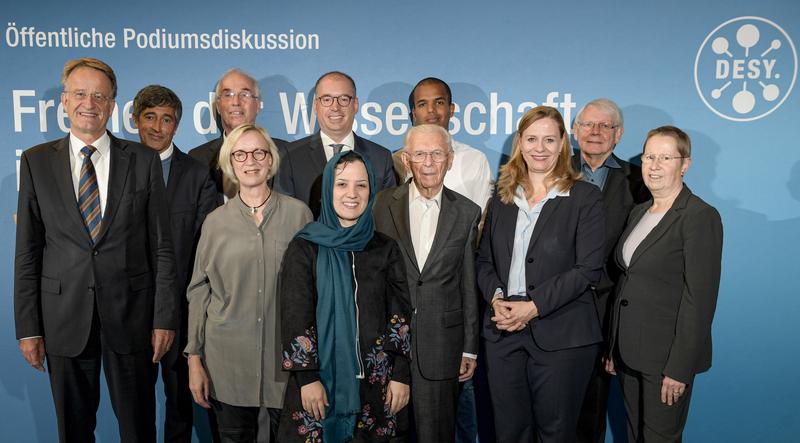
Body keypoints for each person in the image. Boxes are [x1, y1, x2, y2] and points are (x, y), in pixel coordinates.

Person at [14, 57, 177, 442]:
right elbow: (28, 251)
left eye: (100, 96)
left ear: (112, 105)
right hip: (63, 319)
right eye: (80, 94)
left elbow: (162, 248)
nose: (90, 103)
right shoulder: (35, 162)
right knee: (73, 430)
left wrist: (164, 318)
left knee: (138, 429)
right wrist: (28, 329)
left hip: (132, 319)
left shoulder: (143, 160)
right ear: (65, 103)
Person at [476, 106, 605, 443]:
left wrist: (533, 306)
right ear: (520, 142)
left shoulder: (585, 198)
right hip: (503, 331)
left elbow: (588, 269)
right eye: (532, 139)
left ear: (563, 143)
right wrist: (498, 298)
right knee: (509, 432)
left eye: (549, 139)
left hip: (562, 334)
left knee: (556, 434)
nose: (540, 148)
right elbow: (483, 261)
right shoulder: (502, 197)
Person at [184, 124, 312, 442]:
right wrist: (195, 360)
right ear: (230, 163)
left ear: (271, 160)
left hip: (286, 369)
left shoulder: (299, 216)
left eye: (258, 152)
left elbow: (314, 291)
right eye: (240, 153)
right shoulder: (215, 223)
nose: (250, 160)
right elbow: (200, 292)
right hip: (227, 367)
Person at [278, 151, 412, 442]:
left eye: (361, 185)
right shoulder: (304, 249)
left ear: (371, 191)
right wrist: (308, 378)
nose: (352, 194)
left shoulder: (385, 249)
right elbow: (294, 316)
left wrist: (401, 374)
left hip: (378, 389)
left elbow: (400, 316)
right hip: (318, 389)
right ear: (328, 189)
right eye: (341, 184)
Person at [605, 126, 722, 443]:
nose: (654, 166)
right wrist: (615, 345)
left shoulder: (699, 216)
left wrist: (679, 368)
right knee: (633, 435)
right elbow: (627, 284)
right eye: (649, 157)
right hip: (628, 353)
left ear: (685, 164)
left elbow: (699, 300)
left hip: (667, 360)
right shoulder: (640, 212)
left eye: (665, 157)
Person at [374, 124, 481, 442]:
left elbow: (468, 283)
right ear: (406, 160)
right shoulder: (380, 205)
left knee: (437, 434)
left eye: (437, 154)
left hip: (442, 346)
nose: (429, 162)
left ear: (450, 160)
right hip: (387, 345)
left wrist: (470, 349)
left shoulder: (467, 212)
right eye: (420, 154)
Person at [132, 84, 218, 443]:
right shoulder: (116, 167)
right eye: (149, 117)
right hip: (130, 309)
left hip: (181, 310)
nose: (157, 126)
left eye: (166, 119)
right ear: (135, 120)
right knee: (134, 409)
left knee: (180, 407)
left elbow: (205, 247)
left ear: (177, 125)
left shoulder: (197, 174)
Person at [571, 98, 650, 443]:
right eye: (588, 125)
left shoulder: (637, 180)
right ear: (575, 131)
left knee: (593, 407)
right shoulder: (551, 172)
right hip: (555, 307)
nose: (595, 133)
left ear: (618, 135)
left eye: (605, 126)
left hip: (607, 308)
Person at [275, 71, 396, 218]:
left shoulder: (381, 158)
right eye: (327, 99)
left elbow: (386, 217)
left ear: (355, 105)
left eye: (344, 99)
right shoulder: (290, 156)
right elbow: (284, 216)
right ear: (315, 106)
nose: (335, 107)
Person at [189, 68, 289, 201]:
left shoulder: (287, 152)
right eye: (228, 95)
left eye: (244, 95)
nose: (235, 102)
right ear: (218, 106)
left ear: (258, 105)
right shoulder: (197, 158)